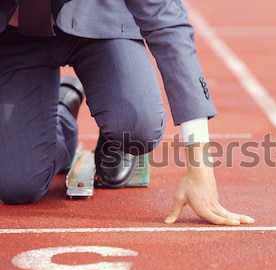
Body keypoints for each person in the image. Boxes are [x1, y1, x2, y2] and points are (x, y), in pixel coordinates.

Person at [0, 0, 254, 226]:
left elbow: (168, 22)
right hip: (17, 35)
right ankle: (64, 113)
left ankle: (118, 135)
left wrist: (200, 169)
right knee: (17, 186)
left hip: (102, 24)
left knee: (138, 126)